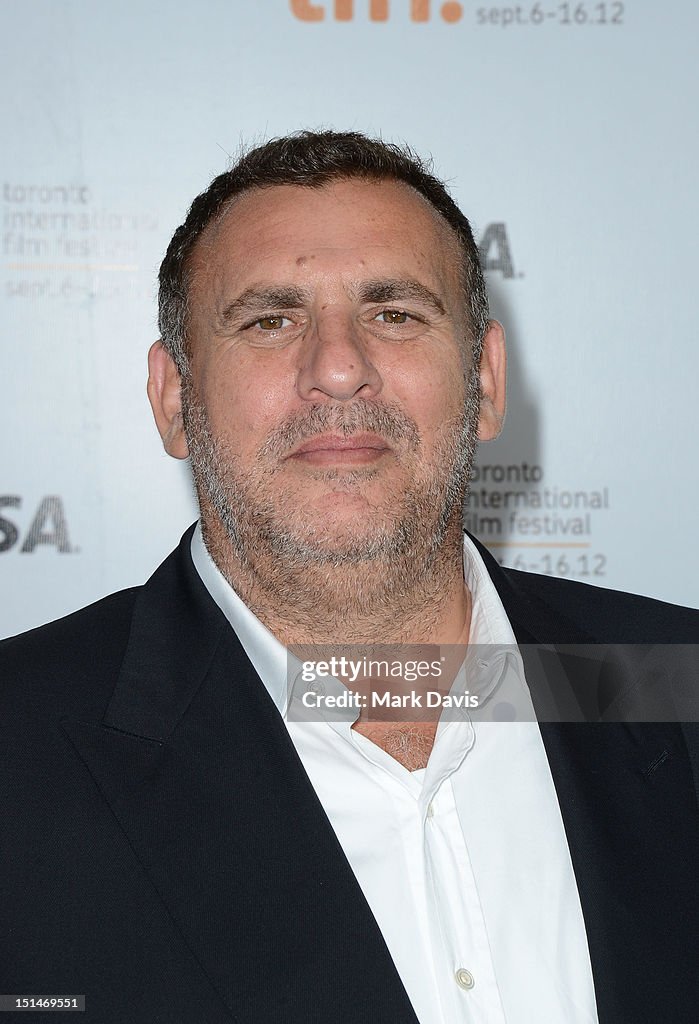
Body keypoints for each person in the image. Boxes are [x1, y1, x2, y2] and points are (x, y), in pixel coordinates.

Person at [1, 130, 696, 1024]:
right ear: (175, 399)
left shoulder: (667, 685)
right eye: (269, 320)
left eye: (394, 313)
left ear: (482, 380)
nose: (337, 368)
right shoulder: (18, 753)